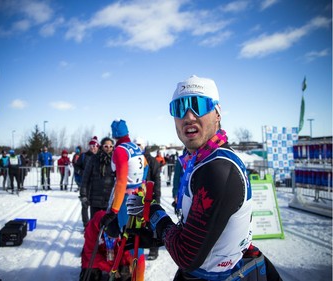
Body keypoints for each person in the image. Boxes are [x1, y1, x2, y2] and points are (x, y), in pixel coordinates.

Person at [126, 75, 282, 281]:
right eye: (179, 107)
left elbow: (187, 256)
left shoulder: (218, 169)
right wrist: (158, 238)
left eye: (198, 105)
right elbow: (204, 234)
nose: (189, 116)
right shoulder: (203, 161)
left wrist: (155, 214)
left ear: (217, 113)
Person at [100, 119, 147, 281]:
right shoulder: (134, 147)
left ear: (114, 135)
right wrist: (139, 185)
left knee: (133, 243)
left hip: (126, 201)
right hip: (137, 197)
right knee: (135, 241)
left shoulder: (120, 150)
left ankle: (136, 277)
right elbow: (145, 165)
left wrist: (113, 210)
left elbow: (120, 181)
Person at [80, 210, 131, 281]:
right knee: (90, 275)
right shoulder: (92, 228)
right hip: (95, 257)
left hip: (114, 257)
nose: (113, 239)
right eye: (110, 237)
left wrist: (127, 264)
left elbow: (125, 249)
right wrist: (108, 268)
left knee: (125, 272)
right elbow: (90, 252)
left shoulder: (121, 226)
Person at [134, 137, 161, 261]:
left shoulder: (152, 161)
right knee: (137, 225)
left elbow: (157, 179)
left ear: (144, 146)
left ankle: (154, 250)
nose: (137, 147)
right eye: (135, 145)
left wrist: (156, 196)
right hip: (137, 197)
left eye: (139, 145)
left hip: (150, 197)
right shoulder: (134, 159)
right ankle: (137, 247)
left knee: (152, 224)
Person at [80, 137, 115, 219]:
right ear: (102, 146)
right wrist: (83, 195)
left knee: (109, 227)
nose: (108, 148)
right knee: (95, 225)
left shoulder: (115, 160)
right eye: (106, 146)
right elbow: (85, 178)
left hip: (110, 200)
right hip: (95, 199)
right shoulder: (94, 159)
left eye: (111, 146)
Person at [78, 136, 100, 228]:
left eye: (94, 145)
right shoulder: (84, 156)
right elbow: (76, 166)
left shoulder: (100, 156)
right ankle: (86, 225)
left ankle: (94, 224)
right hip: (86, 184)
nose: (92, 147)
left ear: (98, 146)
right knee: (85, 204)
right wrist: (81, 172)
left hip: (97, 185)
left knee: (95, 206)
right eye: (91, 145)